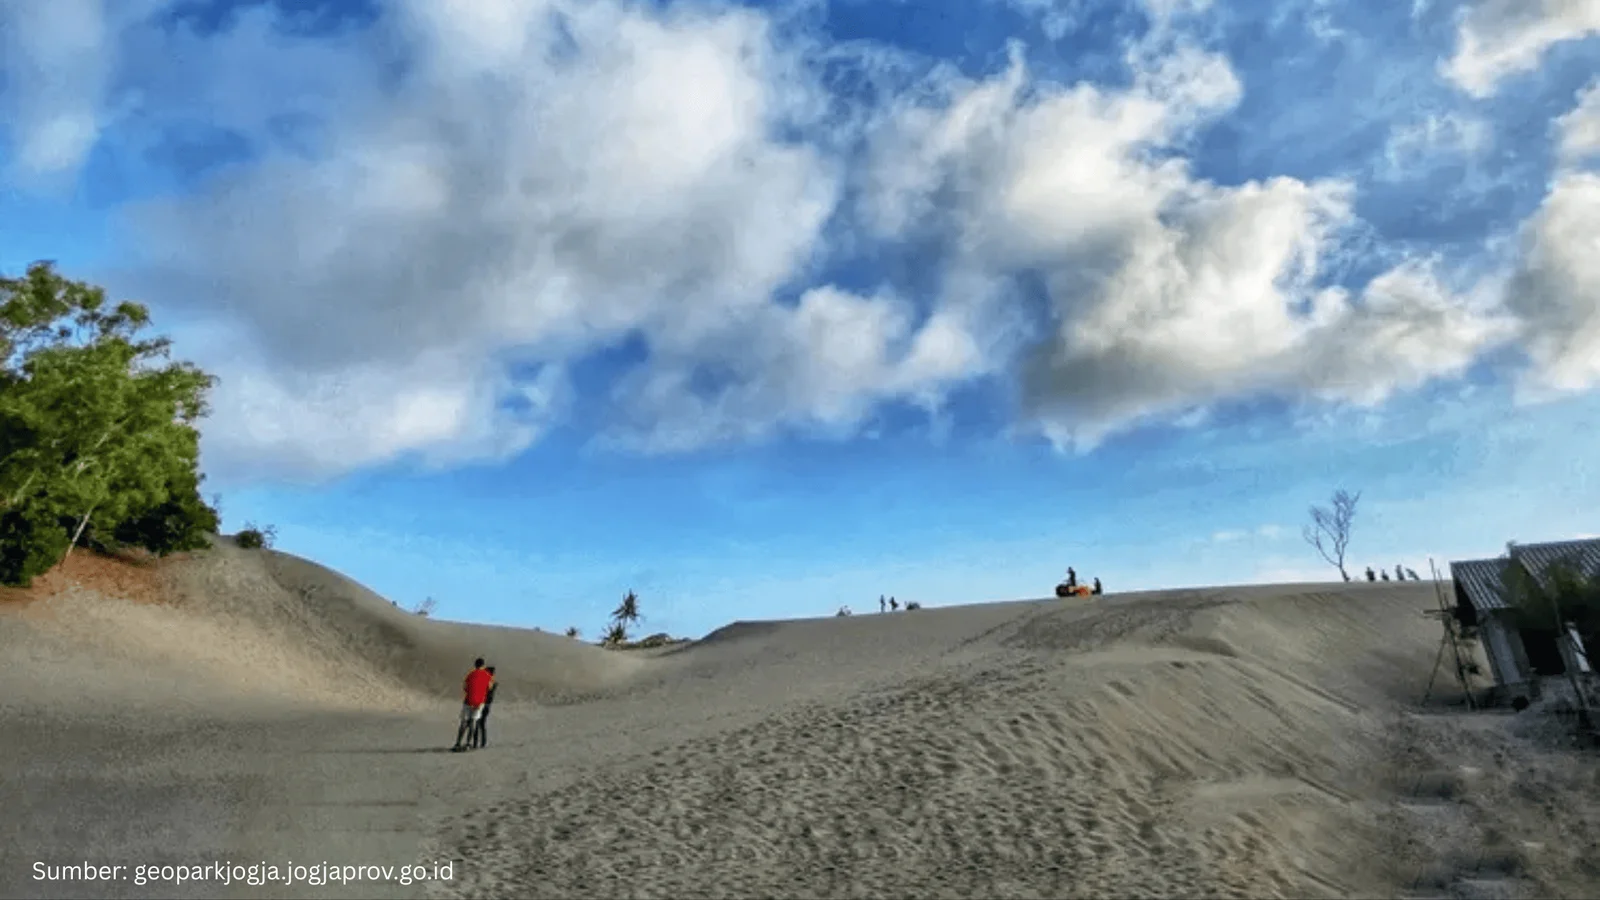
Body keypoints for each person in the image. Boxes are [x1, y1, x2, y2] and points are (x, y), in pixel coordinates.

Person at [453, 658, 493, 751]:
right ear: (483, 665)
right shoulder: (487, 675)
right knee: (473, 722)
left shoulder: (470, 674)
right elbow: (490, 687)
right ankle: (468, 743)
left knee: (464, 722)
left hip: (468, 701)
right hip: (479, 702)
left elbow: (465, 687)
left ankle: (458, 742)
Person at [470, 667, 498, 749]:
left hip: (482, 704)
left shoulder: (488, 682)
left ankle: (476, 743)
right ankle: (482, 742)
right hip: (487, 705)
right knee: (482, 724)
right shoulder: (493, 682)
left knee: (477, 723)